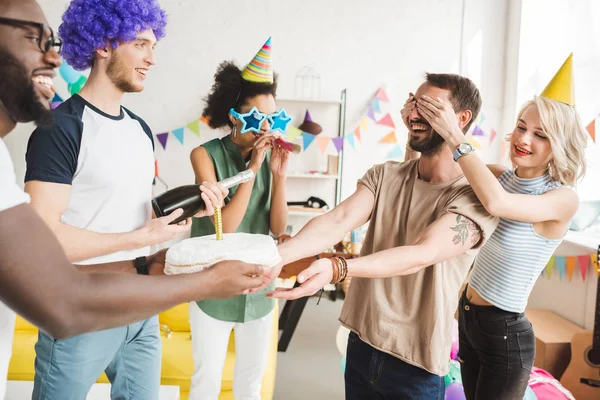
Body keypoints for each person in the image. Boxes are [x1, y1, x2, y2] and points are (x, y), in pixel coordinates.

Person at [0, 1, 266, 397]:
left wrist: (198, 203)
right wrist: (137, 240)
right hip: (81, 308)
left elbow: (146, 215)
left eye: (153, 45)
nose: (151, 58)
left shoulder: (140, 130)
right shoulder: (61, 128)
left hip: (140, 306)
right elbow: (45, 235)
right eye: (142, 44)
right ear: (104, 43)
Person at [262, 73, 498, 399]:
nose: (415, 114)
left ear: (461, 119)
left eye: (430, 107)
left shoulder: (475, 200)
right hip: (362, 344)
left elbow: (421, 253)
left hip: (415, 363)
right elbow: (338, 220)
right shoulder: (386, 175)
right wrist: (272, 258)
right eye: (414, 103)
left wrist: (337, 268)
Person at [415, 54, 587, 399]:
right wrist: (422, 120)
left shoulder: (562, 199)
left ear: (559, 146)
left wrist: (455, 135)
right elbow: (431, 167)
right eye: (522, 126)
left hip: (505, 335)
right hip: (467, 319)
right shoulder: (499, 177)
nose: (524, 139)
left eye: (541, 134)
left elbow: (498, 204)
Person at [187, 37, 289, 400]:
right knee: (207, 380)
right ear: (234, 116)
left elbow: (278, 228)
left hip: (259, 289)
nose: (266, 127)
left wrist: (278, 175)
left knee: (250, 383)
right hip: (212, 289)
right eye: (258, 117)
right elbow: (225, 227)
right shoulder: (204, 155)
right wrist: (254, 168)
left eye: (273, 117)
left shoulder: (270, 157)